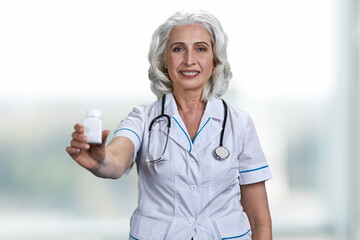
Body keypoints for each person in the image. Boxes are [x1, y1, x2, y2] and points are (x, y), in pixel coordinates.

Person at [66, 10, 272, 240]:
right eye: (178, 49)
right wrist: (101, 160)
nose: (189, 60)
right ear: (164, 60)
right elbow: (116, 159)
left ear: (215, 60)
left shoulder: (239, 124)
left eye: (201, 49)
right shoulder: (143, 119)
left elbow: (259, 223)